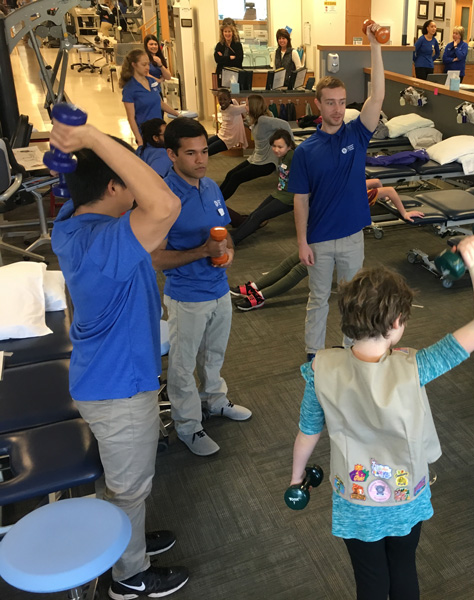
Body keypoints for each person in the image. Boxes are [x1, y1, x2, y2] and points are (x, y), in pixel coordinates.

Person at [289, 236, 474, 599]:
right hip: (406, 495)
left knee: (370, 580)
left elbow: (308, 432)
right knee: (403, 569)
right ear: (398, 321)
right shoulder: (416, 366)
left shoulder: (320, 369)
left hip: (355, 499)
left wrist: (296, 478)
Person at [50, 117, 188, 599]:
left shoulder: (71, 222)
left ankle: (123, 536)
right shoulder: (104, 243)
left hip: (100, 378)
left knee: (123, 480)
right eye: (126, 183)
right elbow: (165, 205)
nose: (135, 189)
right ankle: (128, 576)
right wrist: (88, 138)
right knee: (130, 487)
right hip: (120, 391)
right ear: (113, 186)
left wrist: (79, 154)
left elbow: (123, 194)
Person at [151, 117, 252, 457]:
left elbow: (224, 230)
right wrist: (201, 252)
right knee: (182, 365)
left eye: (204, 151)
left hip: (219, 288)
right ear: (172, 155)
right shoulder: (164, 199)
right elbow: (155, 258)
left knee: (215, 355)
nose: (201, 160)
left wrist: (229, 252)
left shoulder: (209, 186)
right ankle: (189, 427)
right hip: (186, 296)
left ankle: (215, 401)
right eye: (191, 153)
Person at [288, 26, 386, 362]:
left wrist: (375, 46)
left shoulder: (357, 135)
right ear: (318, 104)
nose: (337, 109)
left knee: (352, 301)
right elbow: (300, 199)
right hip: (318, 238)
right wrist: (301, 242)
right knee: (318, 298)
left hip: (352, 237)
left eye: (342, 103)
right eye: (330, 103)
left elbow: (378, 97)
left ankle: (349, 351)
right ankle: (313, 355)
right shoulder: (306, 151)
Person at [230, 174, 424, 310]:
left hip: (337, 244)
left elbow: (387, 189)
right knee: (290, 262)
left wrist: (404, 212)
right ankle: (255, 286)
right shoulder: (342, 189)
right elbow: (381, 184)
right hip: (320, 236)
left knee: (299, 270)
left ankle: (261, 297)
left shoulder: (359, 194)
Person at [218, 95, 292, 226]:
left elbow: (285, 124)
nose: (245, 107)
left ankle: (215, 205)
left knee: (236, 178)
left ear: (253, 106)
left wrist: (290, 146)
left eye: (246, 104)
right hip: (255, 158)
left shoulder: (264, 120)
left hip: (265, 163)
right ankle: (214, 201)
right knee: (231, 174)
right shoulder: (256, 120)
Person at [121, 49, 180, 147]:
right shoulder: (130, 89)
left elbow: (160, 103)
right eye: (144, 65)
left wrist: (177, 114)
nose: (147, 68)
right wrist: (139, 139)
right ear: (134, 65)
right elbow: (131, 118)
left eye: (148, 64)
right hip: (146, 133)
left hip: (159, 130)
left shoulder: (152, 81)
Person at [207, 88, 248, 157]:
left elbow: (247, 106)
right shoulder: (221, 108)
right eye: (220, 99)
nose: (222, 102)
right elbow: (234, 101)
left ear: (229, 100)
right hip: (221, 134)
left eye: (225, 99)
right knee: (203, 145)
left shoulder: (233, 109)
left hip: (229, 139)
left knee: (206, 151)